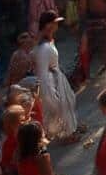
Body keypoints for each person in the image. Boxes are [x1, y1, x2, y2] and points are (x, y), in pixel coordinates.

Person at [32, 11, 77, 140]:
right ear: (48, 25)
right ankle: (64, 134)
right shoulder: (44, 47)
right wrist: (49, 92)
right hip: (51, 80)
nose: (57, 26)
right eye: (55, 23)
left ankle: (68, 132)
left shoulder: (48, 41)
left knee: (66, 104)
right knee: (58, 106)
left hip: (56, 77)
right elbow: (42, 73)